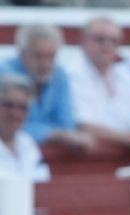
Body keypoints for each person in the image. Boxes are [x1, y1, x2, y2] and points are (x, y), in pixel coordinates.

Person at [66, 17, 130, 159]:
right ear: (83, 41)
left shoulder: (124, 73)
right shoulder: (72, 74)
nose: (107, 46)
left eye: (114, 41)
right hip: (91, 161)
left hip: (127, 157)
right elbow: (84, 125)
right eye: (100, 40)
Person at [1, 24, 93, 152]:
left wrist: (55, 134)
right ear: (21, 53)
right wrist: (54, 134)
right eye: (38, 56)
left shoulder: (60, 75)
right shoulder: (4, 74)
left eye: (51, 56)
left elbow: (67, 125)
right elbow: (10, 126)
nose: (45, 63)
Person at [0, 73, 49, 181]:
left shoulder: (27, 143)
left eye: (22, 107)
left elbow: (42, 180)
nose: (15, 113)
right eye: (8, 105)